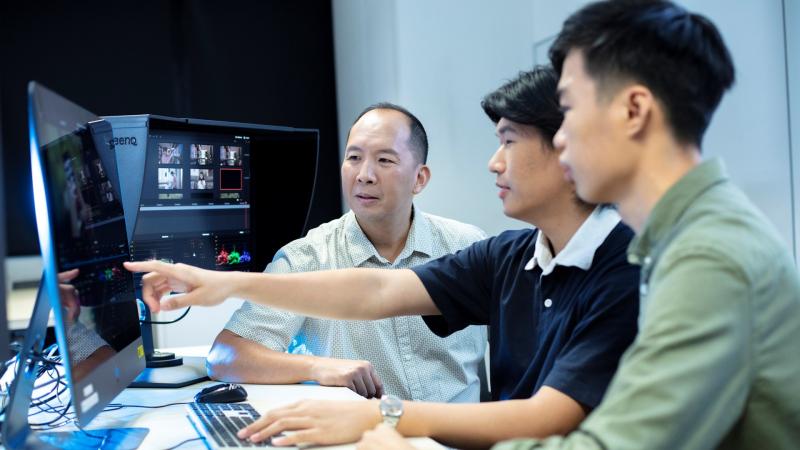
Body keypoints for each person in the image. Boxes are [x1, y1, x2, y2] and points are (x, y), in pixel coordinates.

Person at [125, 67, 640, 448]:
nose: (493, 163)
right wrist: (228, 283)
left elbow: (547, 418)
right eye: (354, 158)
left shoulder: (626, 268)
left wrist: (382, 415)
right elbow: (376, 290)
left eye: (508, 141)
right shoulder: (511, 255)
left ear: (569, 148)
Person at [485, 1, 800, 449]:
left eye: (568, 109)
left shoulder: (708, 256)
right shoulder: (679, 239)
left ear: (634, 110)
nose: (560, 137)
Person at [206, 103, 488, 403]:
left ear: (419, 178)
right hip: (368, 429)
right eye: (354, 157)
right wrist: (317, 367)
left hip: (461, 428)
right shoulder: (308, 258)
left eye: (384, 160)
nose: (364, 175)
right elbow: (225, 356)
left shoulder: (467, 246)